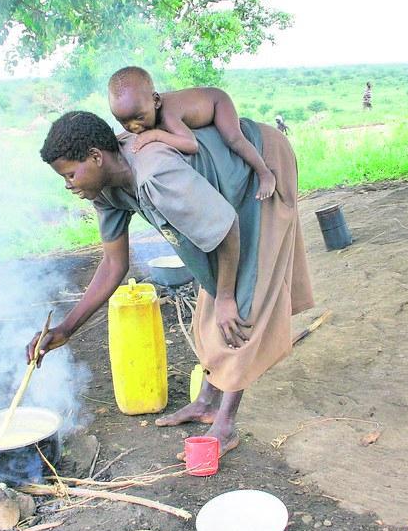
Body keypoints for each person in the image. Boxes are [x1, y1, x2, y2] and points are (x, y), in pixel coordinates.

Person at [29, 111, 314, 458]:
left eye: (70, 174)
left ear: (95, 157)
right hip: (227, 192)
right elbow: (113, 264)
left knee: (242, 300)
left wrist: (226, 297)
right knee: (214, 283)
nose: (69, 184)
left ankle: (224, 425)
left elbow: (226, 230)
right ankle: (208, 401)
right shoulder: (103, 189)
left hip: (259, 165)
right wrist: (66, 328)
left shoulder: (155, 173)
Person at [107, 66, 277, 201]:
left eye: (138, 118)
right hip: (200, 103)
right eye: (124, 121)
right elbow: (131, 128)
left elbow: (191, 144)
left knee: (233, 139)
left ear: (156, 101)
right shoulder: (144, 108)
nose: (134, 127)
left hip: (217, 102)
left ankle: (264, 173)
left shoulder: (168, 115)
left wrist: (156, 135)